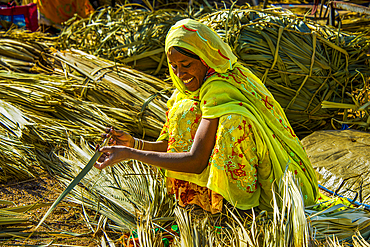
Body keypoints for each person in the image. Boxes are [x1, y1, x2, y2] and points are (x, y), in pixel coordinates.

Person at [95, 19, 318, 214]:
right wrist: (135, 143)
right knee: (185, 111)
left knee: (234, 122)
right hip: (201, 169)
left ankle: (238, 207)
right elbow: (174, 146)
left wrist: (131, 154)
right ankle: (200, 200)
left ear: (205, 58)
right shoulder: (187, 91)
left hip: (273, 195)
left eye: (186, 65)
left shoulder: (219, 87)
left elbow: (196, 160)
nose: (180, 75)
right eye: (174, 67)